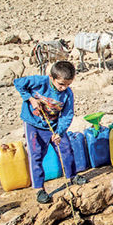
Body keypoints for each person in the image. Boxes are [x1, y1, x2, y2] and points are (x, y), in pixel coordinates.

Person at [14, 61, 87, 204]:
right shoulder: (39, 82)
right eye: (61, 84)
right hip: (34, 125)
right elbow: (18, 83)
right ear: (51, 78)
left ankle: (72, 176)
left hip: (53, 125)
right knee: (36, 155)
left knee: (66, 149)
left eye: (67, 84)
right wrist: (31, 99)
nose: (63, 88)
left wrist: (59, 132)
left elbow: (67, 115)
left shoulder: (67, 94)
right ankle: (39, 189)